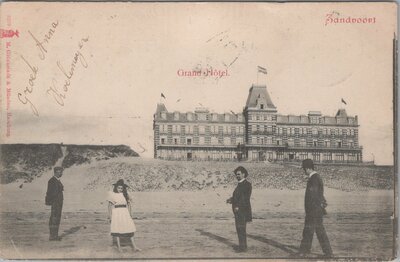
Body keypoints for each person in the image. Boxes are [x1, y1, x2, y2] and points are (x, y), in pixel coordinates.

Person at [297, 159, 333, 258]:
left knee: (310, 231)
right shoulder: (316, 178)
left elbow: (313, 195)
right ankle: (326, 252)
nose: (303, 171)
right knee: (317, 231)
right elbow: (319, 194)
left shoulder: (313, 179)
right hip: (316, 210)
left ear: (308, 168)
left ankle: (303, 252)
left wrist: (310, 211)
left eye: (304, 169)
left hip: (313, 211)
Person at [107, 179, 140, 252]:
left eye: (121, 188)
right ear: (116, 188)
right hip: (116, 213)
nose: (120, 189)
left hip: (125, 212)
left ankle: (134, 247)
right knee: (117, 230)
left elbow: (129, 204)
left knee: (130, 229)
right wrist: (110, 216)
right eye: (119, 188)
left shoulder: (126, 194)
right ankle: (119, 248)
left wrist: (130, 214)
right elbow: (109, 206)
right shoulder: (113, 194)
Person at [226, 166, 252, 252]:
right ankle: (242, 246)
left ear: (243, 174)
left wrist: (238, 207)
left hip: (242, 211)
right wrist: (231, 199)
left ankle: (243, 247)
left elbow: (245, 198)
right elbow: (237, 197)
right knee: (239, 228)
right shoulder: (240, 184)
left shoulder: (247, 184)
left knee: (241, 228)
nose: (237, 176)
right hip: (238, 211)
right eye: (236, 174)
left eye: (238, 174)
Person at [45, 166, 64, 241]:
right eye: (60, 172)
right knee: (54, 218)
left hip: (58, 203)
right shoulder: (52, 181)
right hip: (55, 202)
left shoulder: (57, 180)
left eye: (61, 172)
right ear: (56, 172)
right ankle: (53, 236)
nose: (61, 173)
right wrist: (51, 201)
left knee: (57, 218)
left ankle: (55, 235)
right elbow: (50, 192)